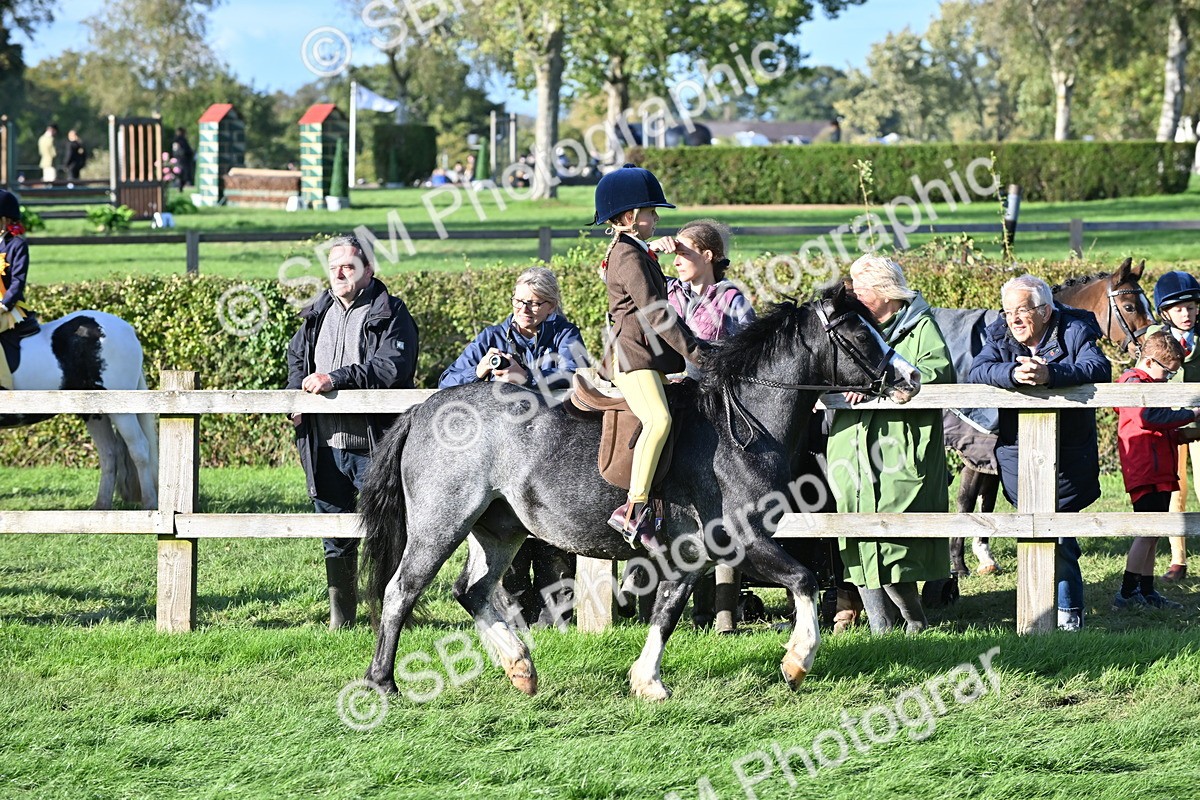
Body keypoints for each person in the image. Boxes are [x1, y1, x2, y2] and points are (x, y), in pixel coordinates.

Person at [286, 234, 419, 630]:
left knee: (388, 531)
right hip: (323, 444)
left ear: (369, 269)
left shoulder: (391, 313)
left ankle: (393, 619)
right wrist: (297, 399)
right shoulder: (316, 313)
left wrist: (335, 379)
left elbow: (391, 369)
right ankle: (340, 620)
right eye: (334, 267)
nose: (340, 273)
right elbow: (297, 358)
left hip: (374, 446)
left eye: (349, 266)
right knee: (333, 530)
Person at [439, 267, 585, 626]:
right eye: (520, 301)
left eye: (536, 303)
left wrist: (527, 379)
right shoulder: (491, 336)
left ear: (552, 306)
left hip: (554, 453)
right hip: (504, 456)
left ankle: (556, 628)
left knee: (557, 544)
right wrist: (479, 373)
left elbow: (577, 379)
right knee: (510, 549)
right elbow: (446, 383)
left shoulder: (565, 334)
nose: (526, 309)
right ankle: (516, 626)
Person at [969, 274, 1111, 632]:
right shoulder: (1000, 334)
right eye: (1007, 312)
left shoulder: (1076, 330)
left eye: (1022, 311)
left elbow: (1098, 368)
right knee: (1033, 532)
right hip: (1018, 452)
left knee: (1059, 535)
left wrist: (1051, 374)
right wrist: (1014, 374)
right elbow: (979, 369)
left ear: (1045, 311)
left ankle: (1066, 615)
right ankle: (1038, 616)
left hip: (1068, 452)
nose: (1013, 319)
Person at [826, 254, 953, 635]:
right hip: (852, 447)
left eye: (863, 290)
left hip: (900, 447)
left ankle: (915, 622)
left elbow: (937, 372)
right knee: (857, 534)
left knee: (896, 540)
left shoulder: (920, 327)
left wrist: (874, 385)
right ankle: (882, 629)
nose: (856, 296)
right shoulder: (852, 325)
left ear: (886, 291)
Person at [594, 164, 705, 546]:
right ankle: (632, 509)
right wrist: (697, 353)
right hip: (633, 356)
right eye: (651, 212)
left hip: (646, 355)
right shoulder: (628, 256)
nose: (656, 218)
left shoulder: (632, 250)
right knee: (658, 420)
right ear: (629, 217)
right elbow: (657, 313)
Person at [656, 218, 755, 626]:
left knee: (718, 501)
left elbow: (748, 351)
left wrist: (699, 368)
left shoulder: (731, 297)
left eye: (685, 251)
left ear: (708, 256)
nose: (677, 259)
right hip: (671, 397)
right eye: (674, 252)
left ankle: (723, 608)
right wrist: (651, 249)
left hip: (713, 407)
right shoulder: (667, 291)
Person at [1114, 330, 1194, 611]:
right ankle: (1126, 593)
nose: (1168, 379)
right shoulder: (1134, 384)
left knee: (1155, 531)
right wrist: (1192, 414)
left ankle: (1146, 591)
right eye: (1168, 373)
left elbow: (1159, 426)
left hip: (1159, 468)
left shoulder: (1150, 384)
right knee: (1146, 530)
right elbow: (1147, 418)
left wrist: (1182, 434)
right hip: (1144, 468)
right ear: (1149, 361)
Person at [1150, 270, 1200, 582]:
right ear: (1166, 312)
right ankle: (1177, 558)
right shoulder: (1155, 337)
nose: (1187, 313)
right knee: (1174, 491)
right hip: (1171, 425)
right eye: (1179, 308)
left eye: (1192, 307)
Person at [0, 189, 33, 390]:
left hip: (9, 308)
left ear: (4, 219)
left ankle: (3, 388)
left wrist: (4, 305)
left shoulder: (17, 246)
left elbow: (18, 281)